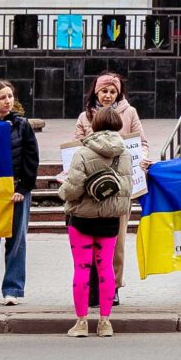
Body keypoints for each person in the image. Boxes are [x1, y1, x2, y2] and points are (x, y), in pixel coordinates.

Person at [73, 72, 150, 305]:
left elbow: (142, 144)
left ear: (119, 93)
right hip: (89, 190)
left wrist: (143, 159)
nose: (108, 95)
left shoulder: (130, 113)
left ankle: (113, 285)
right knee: (89, 242)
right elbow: (75, 148)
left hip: (118, 191)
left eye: (112, 91)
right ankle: (92, 288)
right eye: (104, 91)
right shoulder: (84, 117)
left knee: (116, 242)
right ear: (96, 92)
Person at [58, 106, 133, 337]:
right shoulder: (125, 153)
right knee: (106, 269)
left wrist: (62, 189)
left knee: (82, 268)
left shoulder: (83, 152)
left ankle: (81, 323)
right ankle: (105, 323)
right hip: (110, 219)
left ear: (95, 124)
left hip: (82, 218)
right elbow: (127, 188)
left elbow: (72, 190)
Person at [0, 79, 38, 306]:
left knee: (16, 242)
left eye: (10, 96)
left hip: (17, 190)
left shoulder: (23, 125)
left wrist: (23, 188)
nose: (8, 101)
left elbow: (31, 159)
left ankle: (12, 289)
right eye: (2, 97)